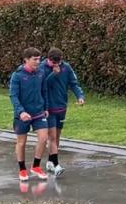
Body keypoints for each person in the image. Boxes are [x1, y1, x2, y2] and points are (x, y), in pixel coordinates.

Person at [9, 47, 50, 182]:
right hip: (22, 115)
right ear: (26, 60)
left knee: (44, 138)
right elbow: (13, 96)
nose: (38, 62)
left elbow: (44, 91)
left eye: (39, 59)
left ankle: (36, 166)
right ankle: (22, 169)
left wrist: (46, 107)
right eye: (35, 59)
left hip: (39, 112)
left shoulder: (40, 73)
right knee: (21, 142)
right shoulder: (17, 75)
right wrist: (21, 112)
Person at [44, 47, 85, 177]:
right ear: (48, 59)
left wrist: (80, 96)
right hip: (48, 107)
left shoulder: (66, 67)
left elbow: (73, 83)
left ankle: (51, 160)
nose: (56, 65)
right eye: (53, 62)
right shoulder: (42, 68)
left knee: (57, 136)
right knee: (52, 137)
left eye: (58, 62)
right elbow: (43, 85)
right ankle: (56, 165)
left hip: (61, 106)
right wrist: (53, 73)